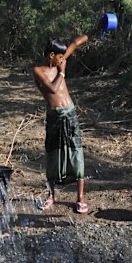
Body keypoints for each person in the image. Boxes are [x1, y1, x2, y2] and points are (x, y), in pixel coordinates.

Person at [33, 32, 96, 214]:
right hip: (54, 117)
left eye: (63, 57)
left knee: (77, 154)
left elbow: (76, 43)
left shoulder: (59, 59)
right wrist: (62, 72)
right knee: (53, 155)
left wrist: (97, 29)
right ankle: (51, 195)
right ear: (51, 55)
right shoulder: (38, 71)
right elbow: (52, 89)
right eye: (60, 57)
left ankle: (80, 198)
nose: (63, 59)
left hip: (70, 114)